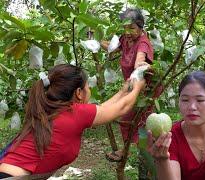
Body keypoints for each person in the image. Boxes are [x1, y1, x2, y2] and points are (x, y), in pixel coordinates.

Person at [0, 64, 146, 178]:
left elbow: (102, 108)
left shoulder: (51, 109)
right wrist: (138, 88)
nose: (89, 91)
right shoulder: (74, 113)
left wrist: (123, 91)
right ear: (78, 93)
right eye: (88, 87)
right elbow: (122, 108)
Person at [101, 8, 162, 161]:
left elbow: (139, 61)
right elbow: (111, 48)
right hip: (132, 86)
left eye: (132, 28)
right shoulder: (126, 38)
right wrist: (95, 41)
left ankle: (137, 151)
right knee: (137, 121)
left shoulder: (143, 43)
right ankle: (142, 150)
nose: (128, 32)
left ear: (140, 27)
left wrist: (141, 64)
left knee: (131, 119)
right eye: (125, 28)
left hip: (143, 89)